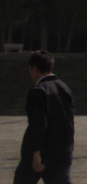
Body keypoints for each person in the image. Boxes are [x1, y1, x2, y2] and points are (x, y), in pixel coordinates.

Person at [15, 50, 75, 184]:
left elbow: (38, 124)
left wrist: (35, 153)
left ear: (34, 69)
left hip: (42, 151)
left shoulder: (38, 92)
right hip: (62, 150)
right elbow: (69, 122)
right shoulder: (64, 88)